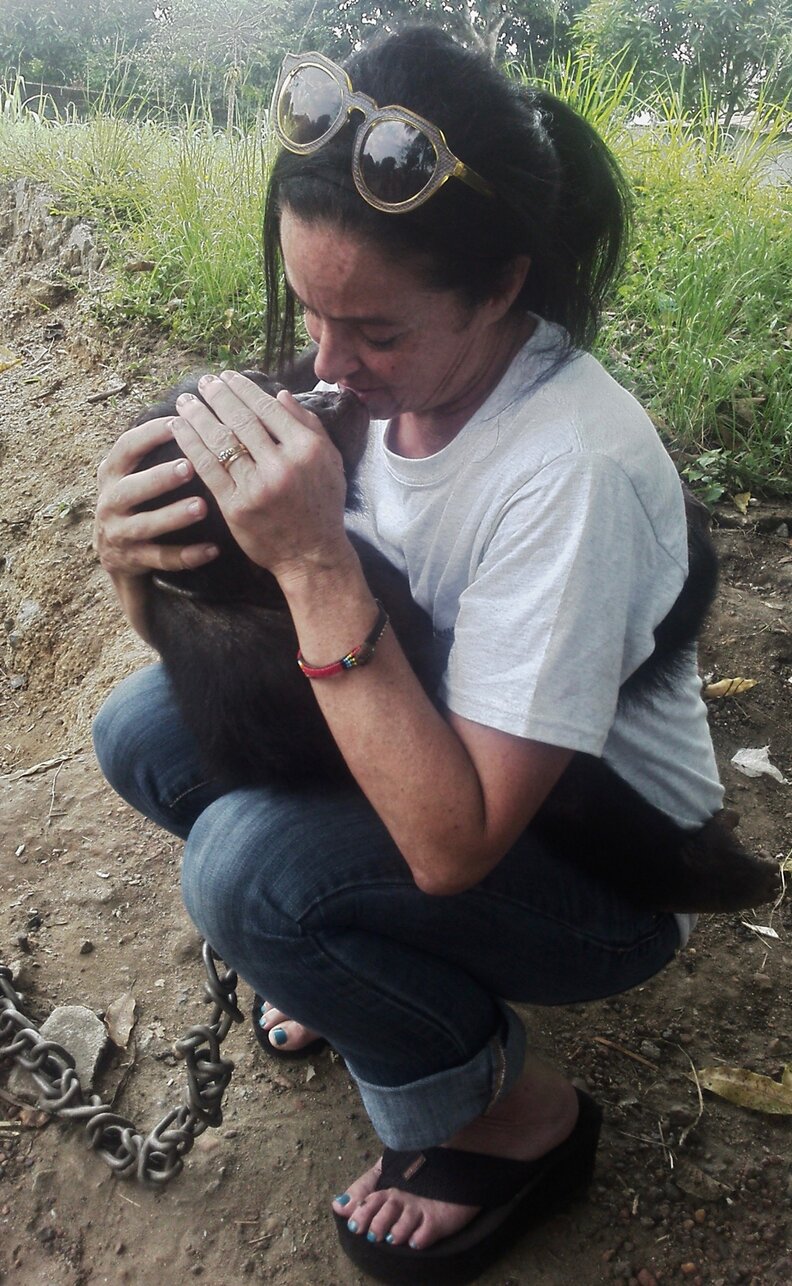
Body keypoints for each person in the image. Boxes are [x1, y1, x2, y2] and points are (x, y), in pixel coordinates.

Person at [92, 24, 725, 1284]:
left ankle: (511, 1115)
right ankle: (360, 967)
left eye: (372, 330)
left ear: (501, 289)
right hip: (438, 731)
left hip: (598, 865)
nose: (325, 366)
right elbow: (228, 659)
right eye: (310, 312)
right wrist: (135, 560)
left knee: (249, 872)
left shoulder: (570, 473)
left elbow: (457, 841)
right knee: (140, 733)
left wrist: (313, 559)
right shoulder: (380, 391)